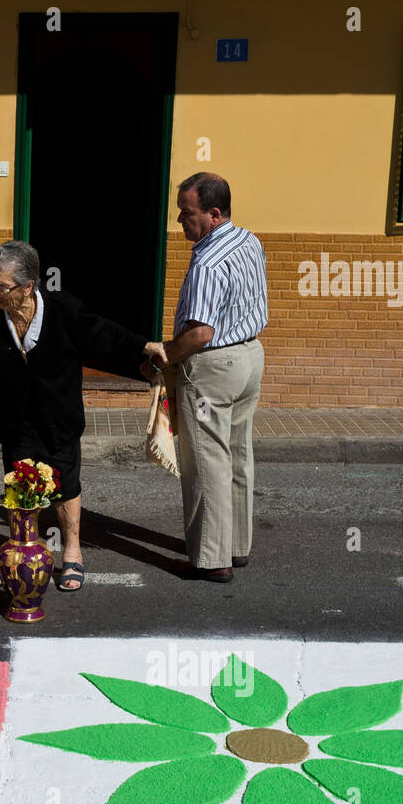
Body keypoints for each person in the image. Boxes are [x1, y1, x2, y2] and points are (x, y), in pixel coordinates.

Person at [0, 240, 166, 591]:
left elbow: (103, 334)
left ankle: (71, 552)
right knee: (18, 484)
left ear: (28, 286)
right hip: (13, 418)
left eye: (2, 286)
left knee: (65, 484)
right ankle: (21, 550)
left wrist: (144, 345)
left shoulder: (63, 310)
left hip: (59, 417)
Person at [140, 173, 267, 583]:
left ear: (213, 214)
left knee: (207, 463)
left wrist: (164, 360)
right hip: (249, 357)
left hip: (214, 366)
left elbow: (200, 333)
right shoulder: (249, 240)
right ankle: (236, 547)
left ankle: (213, 560)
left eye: (187, 212)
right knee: (237, 454)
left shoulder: (207, 261)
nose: (179, 220)